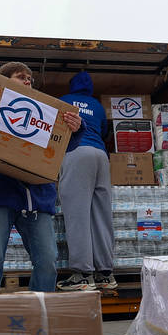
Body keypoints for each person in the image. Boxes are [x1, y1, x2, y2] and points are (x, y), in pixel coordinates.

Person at [0, 62, 82, 293]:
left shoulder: (47, 114)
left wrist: (75, 129)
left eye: (30, 78)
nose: (27, 81)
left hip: (37, 200)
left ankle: (39, 309)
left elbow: (58, 149)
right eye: (21, 76)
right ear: (3, 81)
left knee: (48, 259)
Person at [55, 70, 115, 291]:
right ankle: (106, 274)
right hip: (101, 156)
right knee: (101, 215)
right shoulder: (98, 106)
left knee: (77, 214)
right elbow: (103, 131)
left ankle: (82, 273)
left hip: (77, 153)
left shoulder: (64, 101)